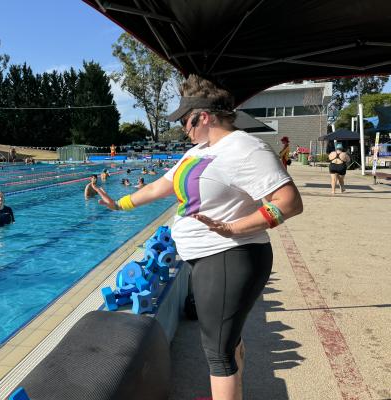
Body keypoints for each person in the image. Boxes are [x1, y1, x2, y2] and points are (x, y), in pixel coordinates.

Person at [92, 74, 303, 400]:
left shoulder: (245, 149)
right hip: (209, 259)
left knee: (217, 351)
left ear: (204, 116)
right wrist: (118, 204)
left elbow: (289, 202)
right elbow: (159, 187)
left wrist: (234, 227)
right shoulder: (199, 151)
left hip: (231, 256)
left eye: (186, 121)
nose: (183, 128)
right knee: (226, 343)